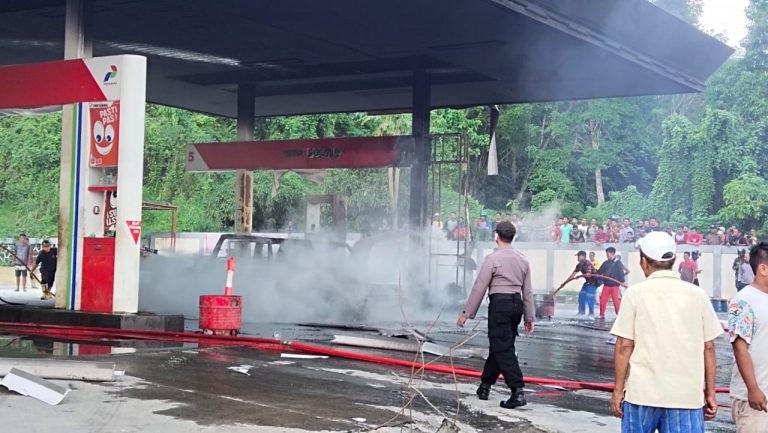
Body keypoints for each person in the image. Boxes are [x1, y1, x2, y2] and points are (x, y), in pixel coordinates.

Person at [609, 232, 722, 432]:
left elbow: (624, 346)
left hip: (642, 396)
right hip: (686, 398)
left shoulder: (634, 294)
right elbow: (709, 347)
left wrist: (618, 391)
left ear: (643, 262)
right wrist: (711, 392)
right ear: (674, 260)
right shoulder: (698, 295)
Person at [457, 222, 534, 409]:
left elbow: (480, 286)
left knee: (503, 347)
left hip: (500, 304)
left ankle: (517, 391)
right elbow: (528, 291)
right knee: (500, 345)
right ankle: (485, 385)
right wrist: (529, 318)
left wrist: (466, 313)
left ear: (496, 236)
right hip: (516, 305)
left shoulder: (492, 258)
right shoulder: (523, 260)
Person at [728, 242, 768, 431]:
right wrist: (753, 389)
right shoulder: (743, 301)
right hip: (755, 399)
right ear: (763, 269)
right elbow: (739, 347)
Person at [559, 250, 598, 319]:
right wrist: (564, 283)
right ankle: (581, 312)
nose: (577, 258)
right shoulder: (579, 265)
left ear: (583, 256)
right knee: (581, 295)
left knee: (589, 296)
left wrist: (582, 275)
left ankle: (591, 313)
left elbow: (589, 274)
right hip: (587, 282)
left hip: (593, 282)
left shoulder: (587, 263)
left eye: (578, 256)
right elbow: (572, 275)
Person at [596, 246, 629, 319]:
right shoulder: (605, 263)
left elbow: (621, 273)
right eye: (606, 254)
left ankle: (619, 315)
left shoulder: (618, 263)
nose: (607, 256)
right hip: (606, 285)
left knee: (616, 301)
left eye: (608, 254)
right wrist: (593, 273)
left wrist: (622, 281)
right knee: (603, 300)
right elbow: (599, 272)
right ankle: (601, 314)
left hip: (615, 286)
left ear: (612, 253)